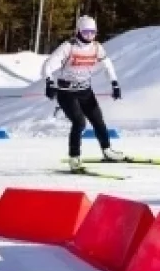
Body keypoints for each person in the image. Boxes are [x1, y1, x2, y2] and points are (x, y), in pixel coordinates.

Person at [42, 15, 124, 171]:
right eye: (86, 32)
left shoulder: (97, 47)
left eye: (93, 32)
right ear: (78, 31)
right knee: (79, 122)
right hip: (67, 92)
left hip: (85, 91)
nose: (89, 36)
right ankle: (74, 157)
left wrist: (114, 83)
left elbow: (108, 66)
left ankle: (107, 151)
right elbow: (48, 65)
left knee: (98, 121)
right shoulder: (69, 46)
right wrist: (49, 82)